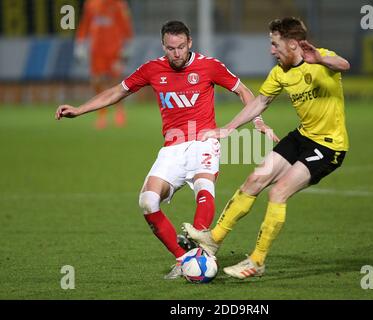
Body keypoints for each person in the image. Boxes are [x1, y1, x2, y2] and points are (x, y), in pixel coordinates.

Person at [55, 21, 277, 279]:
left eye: (181, 47)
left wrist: (257, 121)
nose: (177, 53)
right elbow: (117, 91)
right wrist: (80, 110)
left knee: (204, 187)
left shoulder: (209, 66)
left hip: (204, 140)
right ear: (163, 46)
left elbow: (243, 91)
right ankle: (185, 258)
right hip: (172, 147)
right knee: (147, 202)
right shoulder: (152, 69)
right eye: (171, 48)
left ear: (190, 43)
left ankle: (202, 251)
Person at [183, 17, 350, 279]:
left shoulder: (322, 59)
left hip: (329, 145)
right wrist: (227, 129)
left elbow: (344, 64)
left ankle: (257, 261)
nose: (271, 50)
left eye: (275, 44)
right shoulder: (279, 73)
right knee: (255, 179)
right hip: (302, 137)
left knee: (278, 193)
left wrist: (320, 59)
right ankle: (213, 238)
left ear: (293, 44)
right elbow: (260, 102)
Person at [75, 0, 134, 129]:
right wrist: (80, 43)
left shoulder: (118, 4)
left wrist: (128, 43)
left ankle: (119, 111)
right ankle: (102, 114)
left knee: (115, 81)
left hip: (114, 49)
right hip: (96, 50)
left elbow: (125, 24)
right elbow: (85, 24)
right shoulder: (90, 4)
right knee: (96, 81)